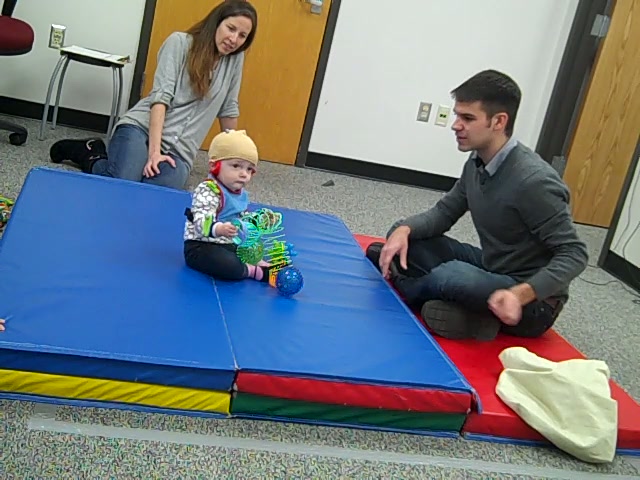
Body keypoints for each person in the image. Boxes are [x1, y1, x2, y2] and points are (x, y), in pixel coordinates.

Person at [366, 69, 588, 341]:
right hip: (493, 267)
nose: (456, 125)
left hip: (532, 303)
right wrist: (405, 230)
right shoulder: (476, 162)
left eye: (468, 118)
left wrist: (520, 295)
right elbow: (444, 213)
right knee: (403, 233)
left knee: (453, 276)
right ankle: (471, 315)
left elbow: (574, 254)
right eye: (457, 115)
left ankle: (406, 286)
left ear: (499, 121)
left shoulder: (535, 181)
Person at [49, 0, 258, 191]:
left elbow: (228, 109)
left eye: (242, 36)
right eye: (231, 28)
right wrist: (154, 154)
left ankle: (126, 163)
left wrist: (235, 160)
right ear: (216, 23)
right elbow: (160, 99)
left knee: (153, 194)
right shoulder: (180, 43)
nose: (234, 39)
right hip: (141, 129)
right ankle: (90, 153)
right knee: (123, 183)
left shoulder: (235, 60)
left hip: (180, 152)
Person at [183, 129, 280, 283]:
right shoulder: (208, 190)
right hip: (201, 246)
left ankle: (258, 263)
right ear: (214, 166)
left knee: (250, 248)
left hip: (228, 242)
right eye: (236, 166)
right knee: (227, 264)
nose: (244, 174)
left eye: (249, 169)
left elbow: (241, 217)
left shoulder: (240, 193)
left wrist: (254, 223)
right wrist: (219, 228)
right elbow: (201, 221)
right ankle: (251, 271)